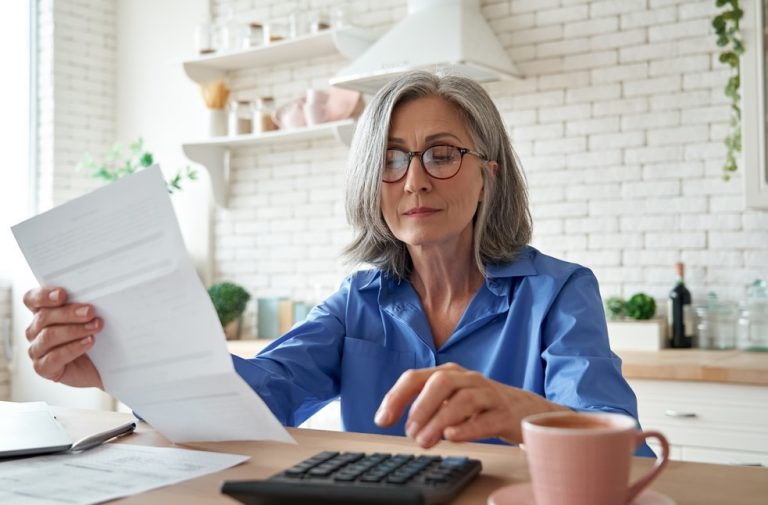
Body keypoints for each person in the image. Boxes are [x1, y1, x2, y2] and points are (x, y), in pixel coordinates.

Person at [23, 70, 653, 456]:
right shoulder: (359, 301)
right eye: (391, 158)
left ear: (487, 175)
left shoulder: (559, 293)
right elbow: (255, 398)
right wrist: (118, 363)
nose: (413, 181)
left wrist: (522, 413)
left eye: (440, 154)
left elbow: (627, 451)